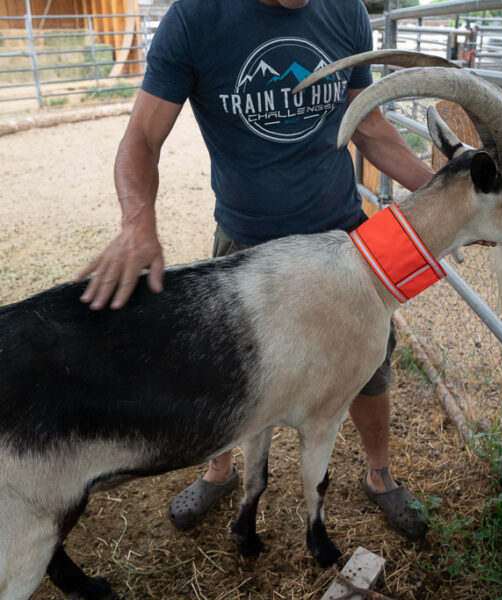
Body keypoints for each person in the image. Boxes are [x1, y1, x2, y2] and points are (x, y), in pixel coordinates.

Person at [75, 0, 433, 541]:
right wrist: (136, 222)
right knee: (228, 379)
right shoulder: (195, 19)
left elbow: (370, 126)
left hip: (341, 238)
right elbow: (142, 139)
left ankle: (379, 474)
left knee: (369, 363)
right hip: (246, 244)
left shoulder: (346, 12)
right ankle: (219, 469)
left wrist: (443, 192)